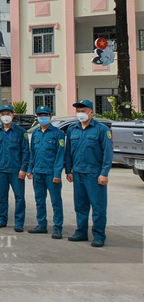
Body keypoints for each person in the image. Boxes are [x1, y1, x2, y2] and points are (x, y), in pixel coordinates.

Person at [65, 99, 113, 247]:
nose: (80, 114)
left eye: (83, 111)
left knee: (98, 207)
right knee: (80, 205)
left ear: (91, 112)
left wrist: (104, 173)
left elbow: (108, 153)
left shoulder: (101, 129)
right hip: (78, 172)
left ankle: (99, 235)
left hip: (95, 174)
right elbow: (68, 152)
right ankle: (81, 232)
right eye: (78, 111)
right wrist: (68, 170)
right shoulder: (72, 129)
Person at [0, 104, 30, 232]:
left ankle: (19, 222)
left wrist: (23, 168)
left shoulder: (21, 132)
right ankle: (2, 219)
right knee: (2, 196)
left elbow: (25, 151)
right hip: (1, 169)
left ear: (13, 115)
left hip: (16, 170)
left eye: (8, 114)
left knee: (19, 197)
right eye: (3, 114)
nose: (5, 117)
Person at [27, 105, 65, 239]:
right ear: (37, 117)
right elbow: (33, 153)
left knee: (56, 202)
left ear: (50, 117)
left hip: (51, 173)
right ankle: (41, 224)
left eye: (45, 115)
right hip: (38, 172)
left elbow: (60, 155)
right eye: (40, 115)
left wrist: (57, 174)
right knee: (39, 200)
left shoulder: (57, 133)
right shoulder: (35, 133)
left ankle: (57, 228)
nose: (43, 117)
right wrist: (29, 169)